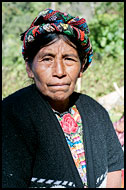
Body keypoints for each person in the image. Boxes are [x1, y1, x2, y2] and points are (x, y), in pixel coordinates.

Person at [2, 8, 124, 188]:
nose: (59, 72)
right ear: (29, 68)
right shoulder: (10, 115)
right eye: (47, 59)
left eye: (69, 59)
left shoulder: (96, 112)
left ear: (81, 68)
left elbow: (114, 166)